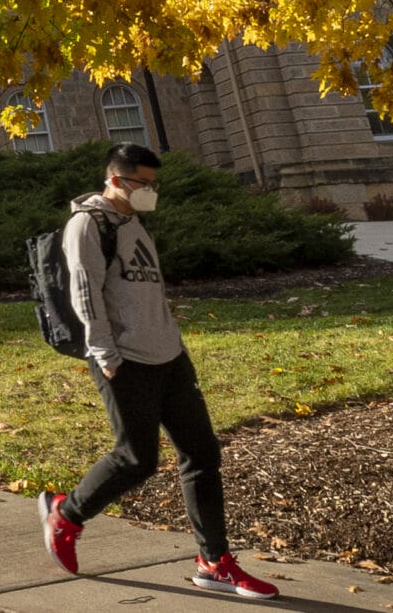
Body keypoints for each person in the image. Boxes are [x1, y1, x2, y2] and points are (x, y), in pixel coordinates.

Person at [39, 143, 276, 599]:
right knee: (136, 458)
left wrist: (174, 341)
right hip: (123, 358)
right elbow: (85, 293)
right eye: (141, 184)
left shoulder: (134, 223)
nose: (149, 191)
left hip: (168, 355)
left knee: (202, 454)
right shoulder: (87, 224)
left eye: (153, 184)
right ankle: (66, 516)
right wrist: (105, 354)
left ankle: (213, 560)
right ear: (115, 180)